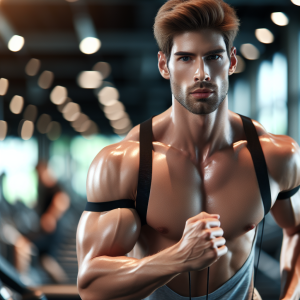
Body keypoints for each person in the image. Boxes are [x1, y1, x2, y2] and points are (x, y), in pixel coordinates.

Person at [76, 0, 300, 299]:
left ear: (231, 61)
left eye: (213, 56)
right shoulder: (123, 164)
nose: (201, 73)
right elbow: (91, 286)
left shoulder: (275, 156)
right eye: (185, 58)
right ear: (163, 65)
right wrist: (178, 257)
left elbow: (297, 230)